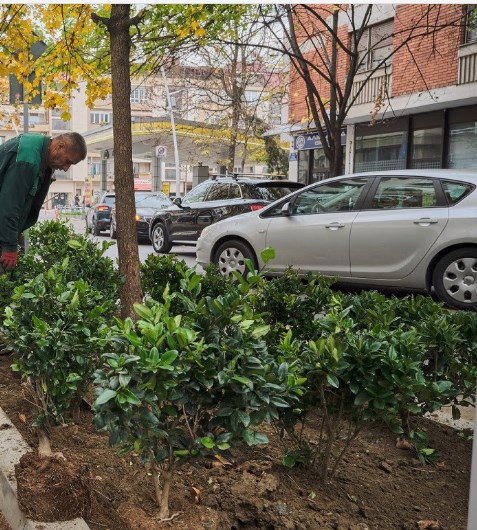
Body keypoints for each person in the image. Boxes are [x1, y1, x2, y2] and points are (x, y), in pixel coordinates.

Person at [0, 132, 87, 272]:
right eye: (68, 161)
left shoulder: (42, 157)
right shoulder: (27, 160)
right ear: (59, 146)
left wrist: (16, 233)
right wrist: (9, 247)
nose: (66, 168)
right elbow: (10, 205)